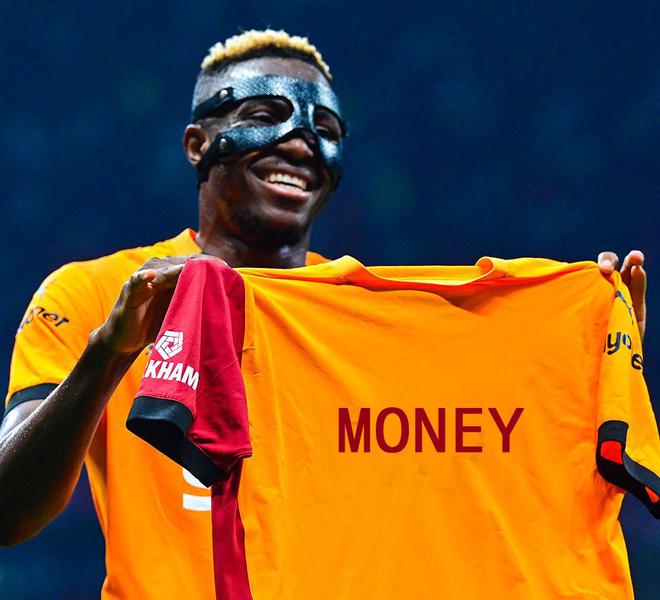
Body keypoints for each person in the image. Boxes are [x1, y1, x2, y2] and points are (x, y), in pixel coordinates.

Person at [0, 29, 649, 599]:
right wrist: (109, 352)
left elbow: (454, 479)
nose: (300, 142)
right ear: (198, 143)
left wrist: (582, 357)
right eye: (265, 114)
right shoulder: (101, 293)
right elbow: (9, 511)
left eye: (326, 130)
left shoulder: (364, 315)